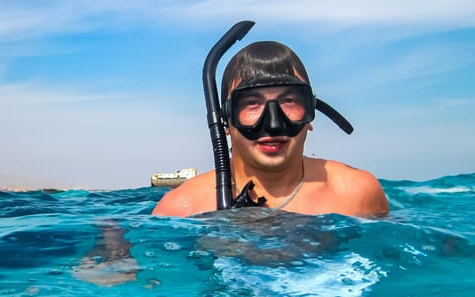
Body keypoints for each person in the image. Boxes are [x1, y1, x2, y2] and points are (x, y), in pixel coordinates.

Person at [152, 40, 388, 218]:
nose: (273, 123)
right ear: (226, 121)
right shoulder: (182, 209)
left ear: (310, 114)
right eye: (252, 103)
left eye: (289, 101)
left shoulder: (356, 194)